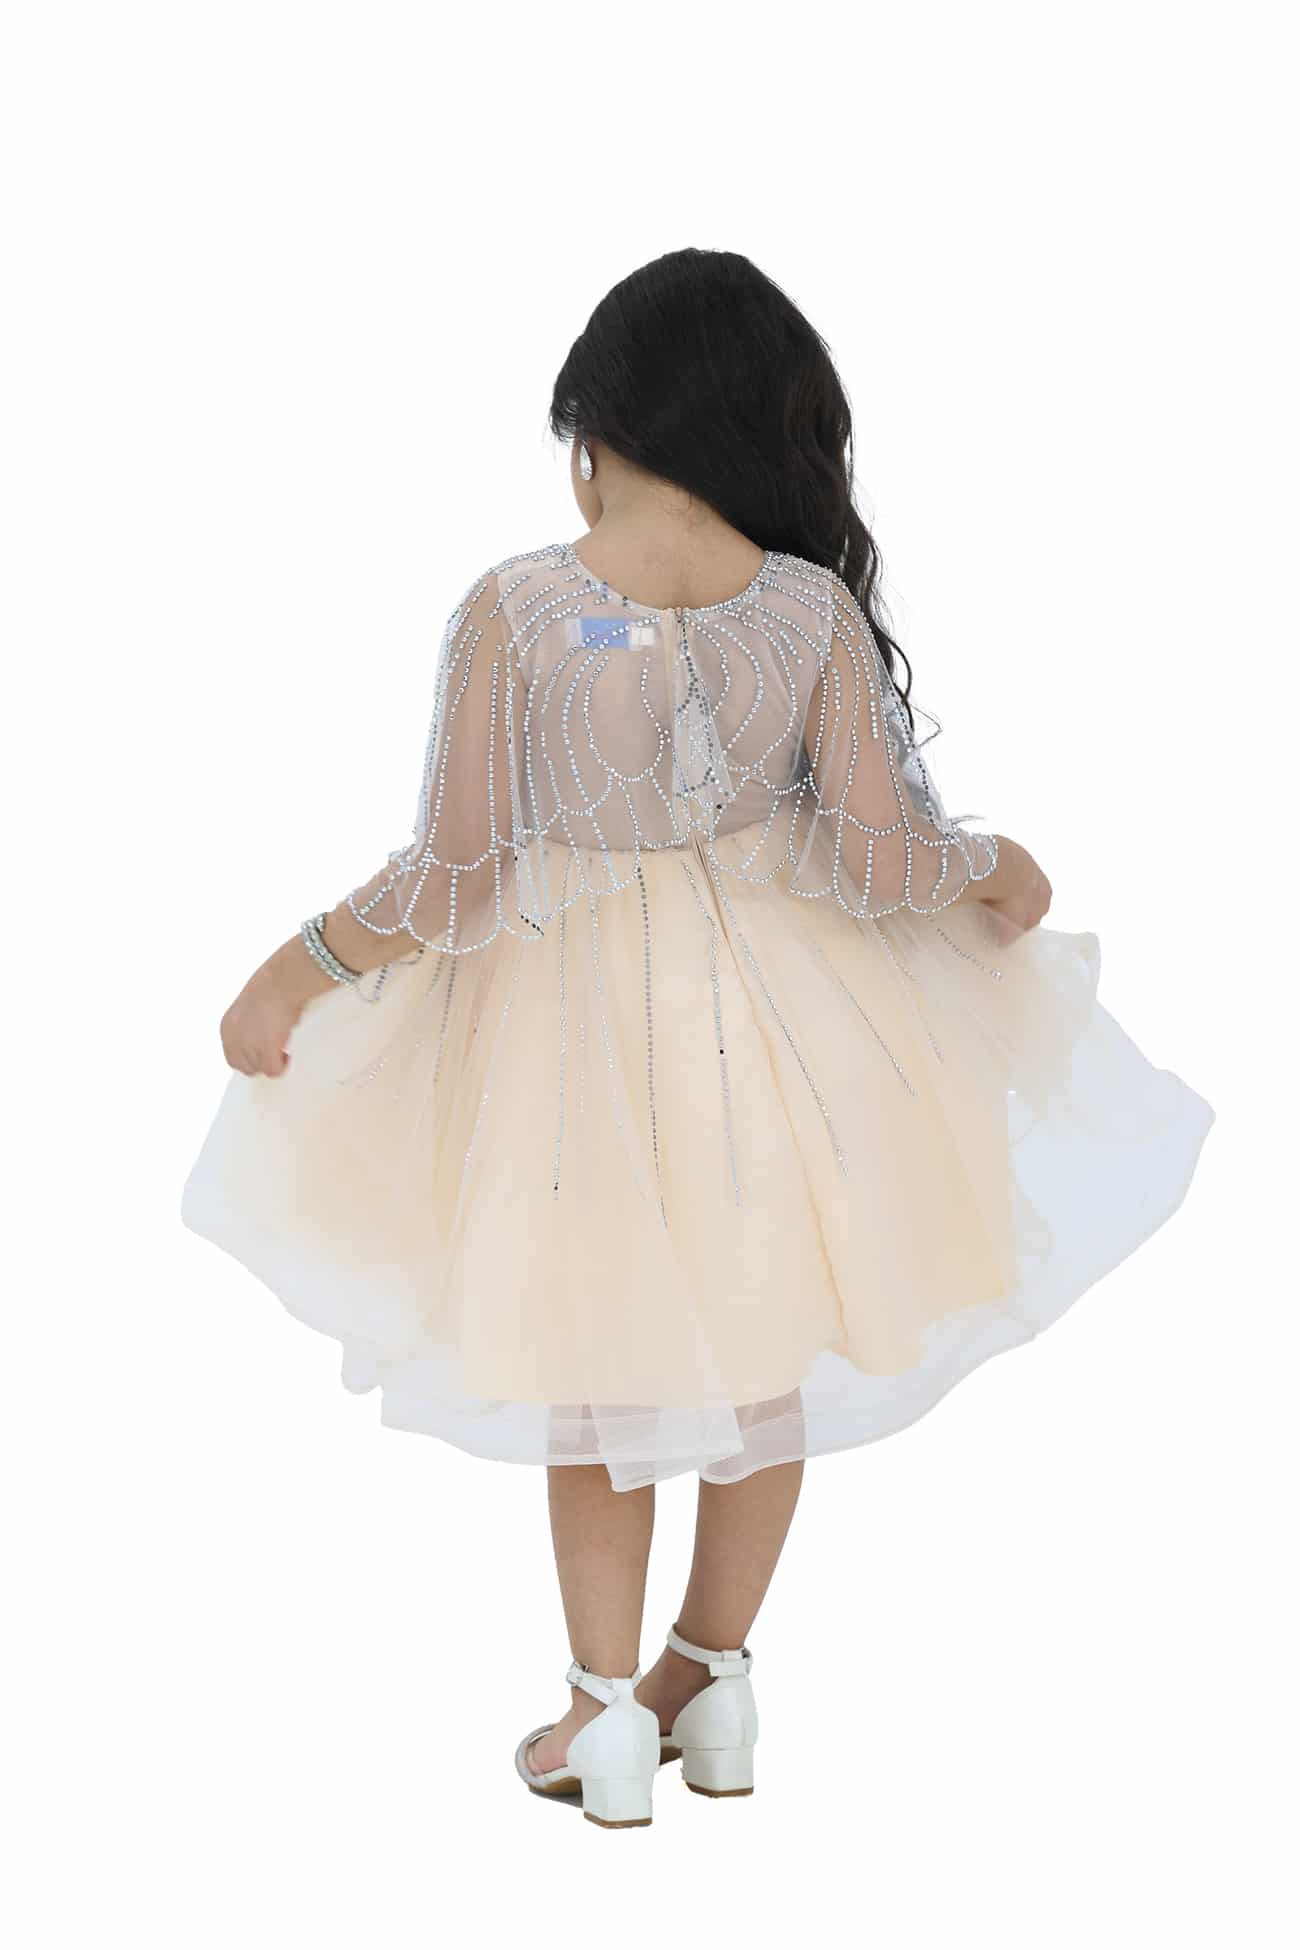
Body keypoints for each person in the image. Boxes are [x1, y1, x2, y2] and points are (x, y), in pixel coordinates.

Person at [181, 247, 1214, 1830]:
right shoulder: (807, 610)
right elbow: (879, 860)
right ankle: (715, 1681)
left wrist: (294, 967)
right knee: (760, 1337)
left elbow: (456, 877)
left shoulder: (516, 609)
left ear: (600, 435)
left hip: (572, 1043)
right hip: (788, 1038)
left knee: (596, 1358)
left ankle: (603, 1716)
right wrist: (996, 866)